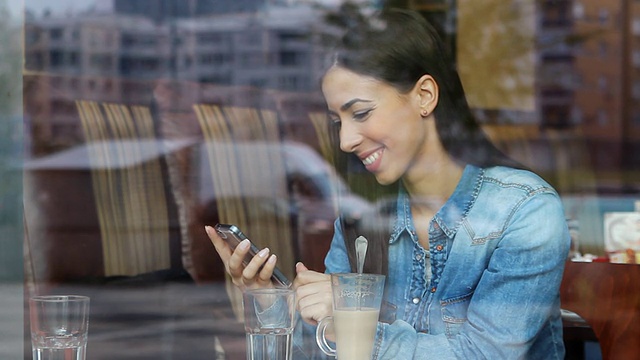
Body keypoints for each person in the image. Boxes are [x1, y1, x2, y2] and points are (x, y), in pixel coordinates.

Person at [206, 8, 570, 359]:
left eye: (361, 113)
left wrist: (352, 324)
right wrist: (270, 302)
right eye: (338, 122)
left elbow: (487, 355)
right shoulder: (362, 222)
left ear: (424, 95)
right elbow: (324, 349)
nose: (346, 140)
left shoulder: (525, 210)